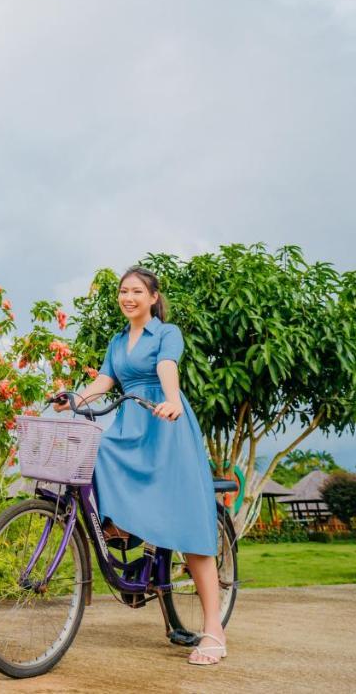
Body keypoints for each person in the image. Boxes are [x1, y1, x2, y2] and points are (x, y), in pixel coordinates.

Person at [54, 266, 226, 666]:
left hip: (165, 422)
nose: (127, 297)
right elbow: (105, 381)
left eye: (136, 291)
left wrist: (170, 399)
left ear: (152, 297)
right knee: (96, 451)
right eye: (122, 291)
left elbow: (169, 367)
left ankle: (214, 630)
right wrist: (74, 397)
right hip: (131, 422)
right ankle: (122, 526)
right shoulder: (117, 341)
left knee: (188, 524)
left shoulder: (166, 333)